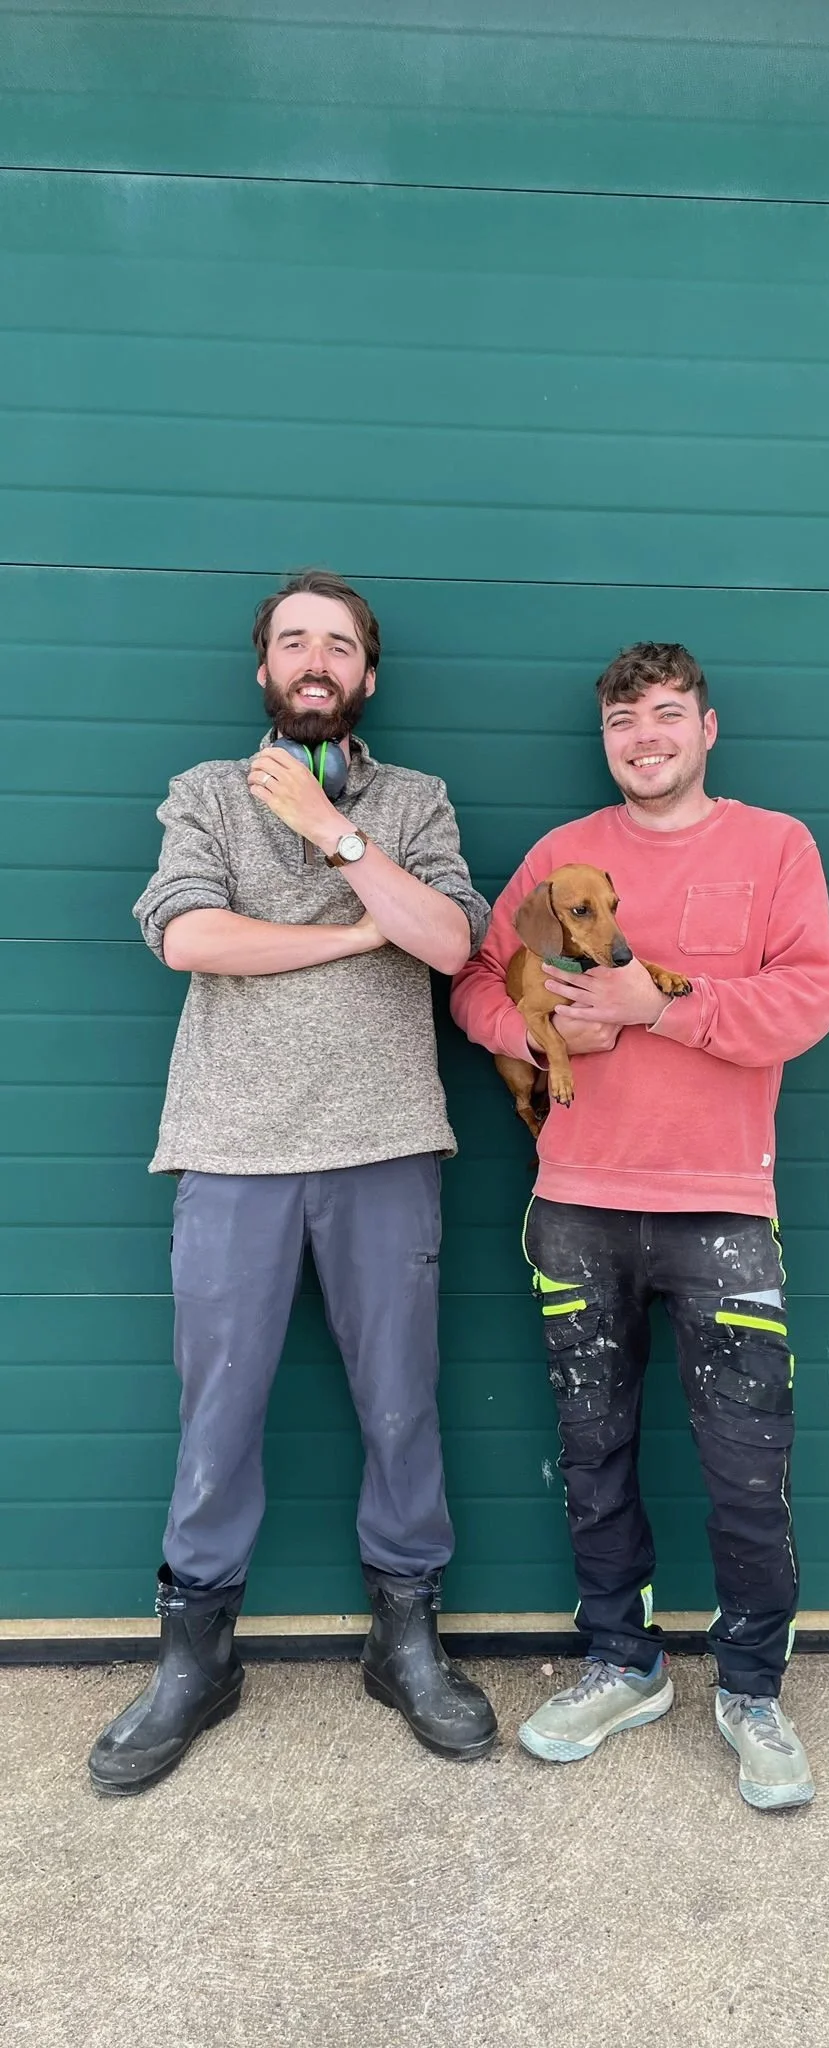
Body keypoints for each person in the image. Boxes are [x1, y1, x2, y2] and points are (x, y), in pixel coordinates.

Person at [89, 568, 497, 1796]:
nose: (314, 660)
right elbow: (188, 936)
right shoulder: (207, 794)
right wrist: (352, 929)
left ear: (366, 676)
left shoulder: (415, 800)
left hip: (383, 1144)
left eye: (337, 645)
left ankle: (406, 1639)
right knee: (217, 1407)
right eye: (292, 641)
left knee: (400, 1403)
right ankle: (195, 1655)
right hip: (231, 1145)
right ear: (264, 668)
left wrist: (337, 838)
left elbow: (451, 939)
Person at [451, 643, 829, 1810]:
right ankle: (624, 1662)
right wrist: (550, 1036)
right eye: (626, 717)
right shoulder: (561, 857)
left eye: (669, 714)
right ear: (606, 737)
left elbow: (807, 998)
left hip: (723, 1205)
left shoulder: (777, 846)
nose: (646, 735)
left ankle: (752, 1688)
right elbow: (477, 982)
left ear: (707, 727)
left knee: (746, 1466)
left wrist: (657, 1006)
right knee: (594, 1456)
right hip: (576, 1204)